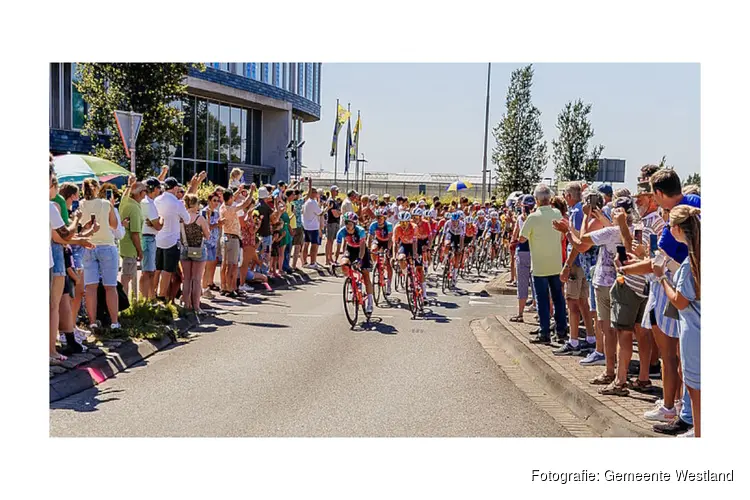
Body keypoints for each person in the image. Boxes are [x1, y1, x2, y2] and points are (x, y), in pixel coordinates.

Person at [653, 206, 701, 437]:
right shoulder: (697, 256)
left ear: (677, 228)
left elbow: (680, 301)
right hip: (696, 327)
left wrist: (661, 277)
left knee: (695, 385)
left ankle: (698, 430)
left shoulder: (693, 260)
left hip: (694, 329)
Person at [518, 184, 567, 345]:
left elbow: (522, 238)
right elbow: (561, 236)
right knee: (558, 298)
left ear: (537, 200)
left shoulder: (533, 217)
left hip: (539, 264)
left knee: (542, 299)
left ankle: (544, 331)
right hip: (555, 262)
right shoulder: (557, 213)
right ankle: (561, 331)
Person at [554, 182, 597, 356]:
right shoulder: (579, 210)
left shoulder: (577, 212)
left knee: (572, 302)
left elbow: (578, 242)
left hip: (577, 263)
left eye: (565, 194)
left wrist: (567, 265)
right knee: (581, 301)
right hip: (582, 262)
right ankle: (590, 338)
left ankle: (573, 341)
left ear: (569, 196)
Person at [79, 178, 122, 332]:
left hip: (89, 245)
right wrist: (110, 205)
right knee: (110, 286)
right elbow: (114, 225)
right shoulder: (105, 204)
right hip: (106, 245)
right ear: (97, 188)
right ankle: (114, 322)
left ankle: (92, 321)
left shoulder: (81, 204)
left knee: (90, 287)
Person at [154, 177, 191, 303]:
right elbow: (187, 219)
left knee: (157, 268)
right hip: (171, 240)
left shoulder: (157, 200)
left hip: (158, 238)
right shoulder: (177, 203)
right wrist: (178, 218)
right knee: (168, 270)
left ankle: (152, 293)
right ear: (175, 188)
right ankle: (162, 295)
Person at [219, 186, 256, 298]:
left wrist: (238, 191)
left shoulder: (222, 207)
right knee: (232, 265)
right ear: (230, 198)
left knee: (225, 263)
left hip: (225, 236)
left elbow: (232, 198)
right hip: (233, 238)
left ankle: (224, 287)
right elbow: (245, 203)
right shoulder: (232, 208)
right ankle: (230, 288)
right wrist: (251, 192)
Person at [334, 212, 374, 313]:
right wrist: (334, 260)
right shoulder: (341, 232)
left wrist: (360, 259)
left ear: (355, 224)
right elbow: (337, 248)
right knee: (344, 265)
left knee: (365, 274)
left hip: (362, 251)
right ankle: (353, 282)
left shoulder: (360, 231)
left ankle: (370, 302)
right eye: (346, 223)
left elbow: (362, 248)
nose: (348, 225)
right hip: (350, 249)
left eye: (350, 223)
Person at [180, 194, 210, 315]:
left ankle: (186, 305)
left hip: (185, 249)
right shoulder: (199, 218)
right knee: (197, 279)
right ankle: (196, 307)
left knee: (186, 279)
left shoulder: (182, 218)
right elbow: (207, 235)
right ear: (195, 204)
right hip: (198, 249)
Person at [118, 178, 147, 298]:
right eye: (145, 190)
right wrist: (140, 250)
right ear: (140, 193)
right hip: (131, 248)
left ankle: (131, 301)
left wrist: (130, 185)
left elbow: (124, 195)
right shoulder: (134, 208)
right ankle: (124, 303)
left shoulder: (125, 202)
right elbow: (135, 233)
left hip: (124, 246)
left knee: (128, 276)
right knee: (127, 277)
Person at [509, 195, 535, 323]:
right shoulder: (536, 218)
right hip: (536, 252)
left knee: (522, 283)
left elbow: (516, 235)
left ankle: (520, 313)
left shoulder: (520, 218)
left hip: (523, 251)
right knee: (536, 283)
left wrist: (513, 242)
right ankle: (536, 308)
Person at [140, 177, 163, 299]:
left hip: (147, 237)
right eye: (159, 188)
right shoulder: (149, 203)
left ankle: (148, 298)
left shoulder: (144, 202)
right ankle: (146, 299)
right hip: (148, 238)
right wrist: (162, 218)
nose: (160, 190)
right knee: (148, 272)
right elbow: (158, 225)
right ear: (154, 189)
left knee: (148, 271)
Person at [201, 191, 222, 297]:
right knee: (206, 267)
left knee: (210, 266)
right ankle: (204, 288)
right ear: (209, 201)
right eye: (214, 200)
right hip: (206, 242)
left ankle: (206, 287)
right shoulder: (204, 212)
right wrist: (217, 224)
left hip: (213, 242)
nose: (216, 203)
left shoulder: (216, 213)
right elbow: (206, 227)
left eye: (218, 201)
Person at [368, 209, 394, 295]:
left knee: (388, 263)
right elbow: (370, 238)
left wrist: (389, 250)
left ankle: (389, 284)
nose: (379, 219)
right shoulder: (373, 225)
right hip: (378, 240)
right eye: (377, 217)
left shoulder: (389, 225)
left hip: (387, 242)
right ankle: (376, 264)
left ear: (385, 218)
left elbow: (390, 239)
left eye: (381, 218)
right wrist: (368, 249)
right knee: (373, 249)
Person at [302, 179, 324, 269]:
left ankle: (304, 262)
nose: (316, 194)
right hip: (313, 227)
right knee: (314, 245)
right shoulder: (312, 202)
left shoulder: (306, 201)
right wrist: (324, 208)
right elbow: (320, 213)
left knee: (306, 244)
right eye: (315, 192)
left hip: (306, 226)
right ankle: (312, 262)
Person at [443, 211, 466, 285]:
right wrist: (442, 242)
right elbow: (444, 234)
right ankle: (445, 258)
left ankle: (455, 275)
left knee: (458, 255)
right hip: (450, 234)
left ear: (458, 220)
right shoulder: (448, 223)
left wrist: (461, 248)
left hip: (458, 237)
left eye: (456, 221)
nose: (454, 223)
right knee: (447, 245)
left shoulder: (462, 224)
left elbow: (462, 238)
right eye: (453, 221)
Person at [324, 186, 342, 265]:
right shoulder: (331, 201)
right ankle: (328, 259)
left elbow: (338, 212)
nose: (338, 192)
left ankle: (330, 258)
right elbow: (335, 213)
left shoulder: (335, 201)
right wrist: (338, 213)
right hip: (331, 222)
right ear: (333, 191)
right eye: (336, 191)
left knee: (331, 241)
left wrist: (338, 213)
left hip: (335, 222)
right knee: (329, 241)